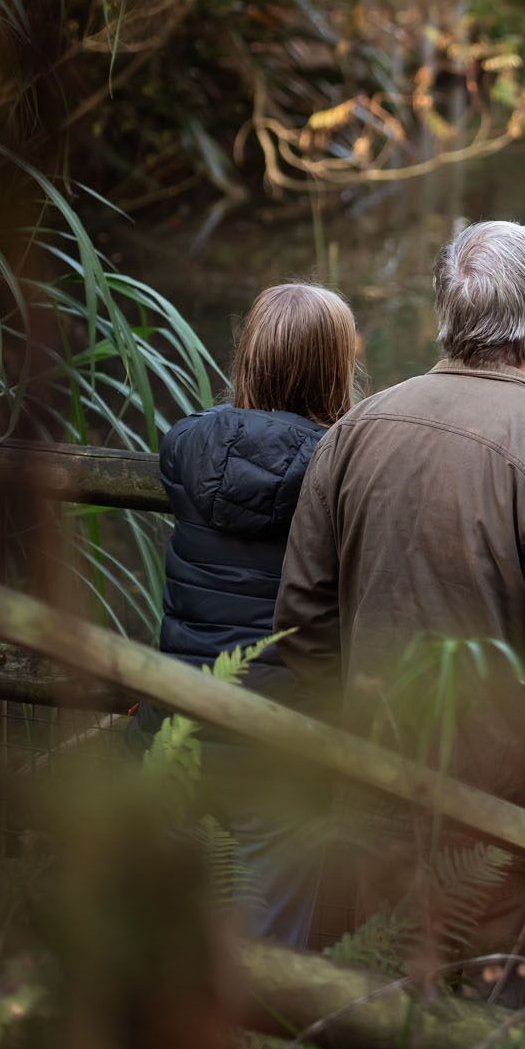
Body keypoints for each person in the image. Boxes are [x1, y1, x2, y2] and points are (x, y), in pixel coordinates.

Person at [275, 219, 525, 947]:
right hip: (507, 826)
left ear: (445, 310)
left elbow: (301, 618)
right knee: (479, 1034)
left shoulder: (353, 431)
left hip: (367, 789)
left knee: (359, 1015)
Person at [152, 280, 358, 947]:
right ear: (335, 367)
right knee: (271, 941)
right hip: (280, 737)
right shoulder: (343, 463)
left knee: (171, 923)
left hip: (178, 721)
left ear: (247, 357)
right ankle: (262, 1044)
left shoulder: (186, 446)